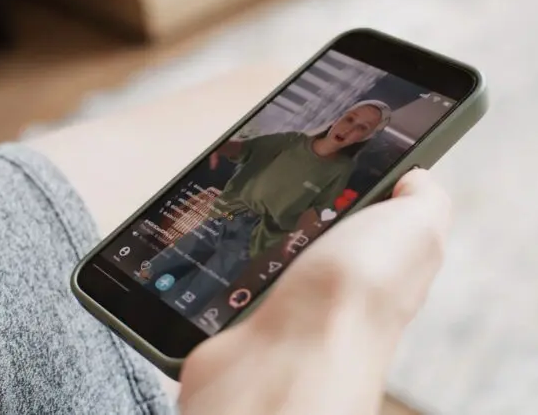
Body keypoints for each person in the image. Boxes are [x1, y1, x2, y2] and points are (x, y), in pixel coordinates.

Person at [0, 67, 538, 414]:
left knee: (259, 72)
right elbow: (229, 167)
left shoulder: (335, 176)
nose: (356, 120)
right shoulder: (288, 140)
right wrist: (327, 334)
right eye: (356, 112)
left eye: (368, 121)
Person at [144, 100, 392, 316]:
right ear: (339, 117)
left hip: (255, 237)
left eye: (362, 128)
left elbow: (319, 209)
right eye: (350, 119)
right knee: (164, 264)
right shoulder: (292, 141)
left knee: (197, 293)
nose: (351, 128)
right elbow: (247, 149)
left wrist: (302, 238)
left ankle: (165, 315)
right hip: (226, 214)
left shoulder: (341, 169)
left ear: (365, 137)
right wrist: (221, 145)